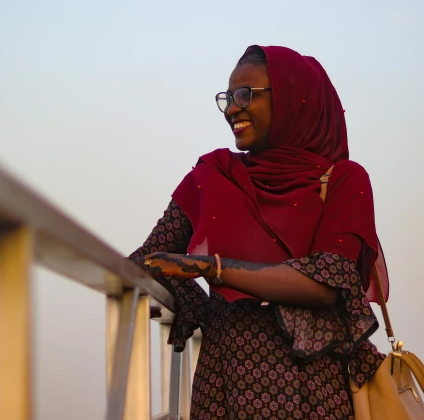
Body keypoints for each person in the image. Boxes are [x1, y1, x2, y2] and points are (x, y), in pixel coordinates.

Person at [130, 45, 387, 420]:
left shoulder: (344, 180)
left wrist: (208, 268)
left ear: (293, 99)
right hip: (224, 388)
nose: (233, 109)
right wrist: (200, 307)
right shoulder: (213, 176)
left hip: (314, 394)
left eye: (246, 95)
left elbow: (326, 283)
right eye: (228, 98)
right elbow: (152, 259)